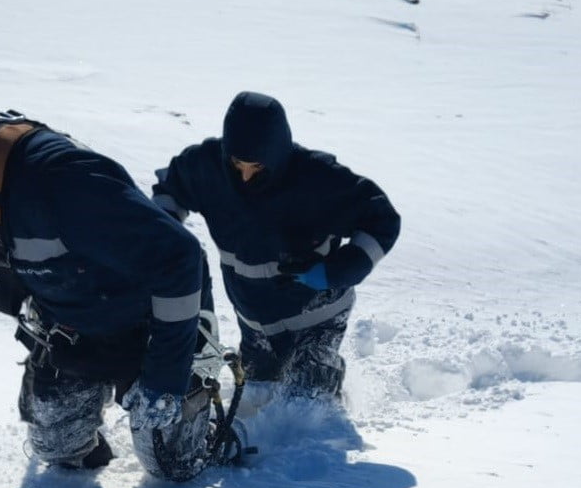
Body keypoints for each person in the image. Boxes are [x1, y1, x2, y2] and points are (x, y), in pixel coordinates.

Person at [0, 100, 215, 478]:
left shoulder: (59, 179)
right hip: (68, 319)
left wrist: (164, 382)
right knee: (60, 453)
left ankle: (196, 388)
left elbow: (180, 257)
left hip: (148, 316)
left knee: (170, 461)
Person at [153, 91, 401, 399]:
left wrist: (337, 270)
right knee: (257, 400)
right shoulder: (208, 168)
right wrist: (164, 237)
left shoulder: (318, 179)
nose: (244, 176)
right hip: (255, 323)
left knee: (306, 410)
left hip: (317, 319)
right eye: (237, 163)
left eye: (255, 167)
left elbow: (383, 220)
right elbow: (169, 190)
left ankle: (333, 407)